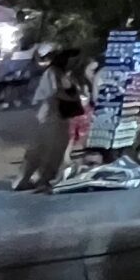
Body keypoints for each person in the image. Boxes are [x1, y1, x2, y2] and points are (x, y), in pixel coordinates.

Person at [15, 49, 84, 192]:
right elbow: (56, 92)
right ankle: (29, 180)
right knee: (42, 148)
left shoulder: (63, 73)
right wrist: (73, 99)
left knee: (54, 149)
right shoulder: (53, 72)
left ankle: (42, 179)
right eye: (73, 59)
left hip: (58, 116)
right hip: (48, 115)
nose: (76, 63)